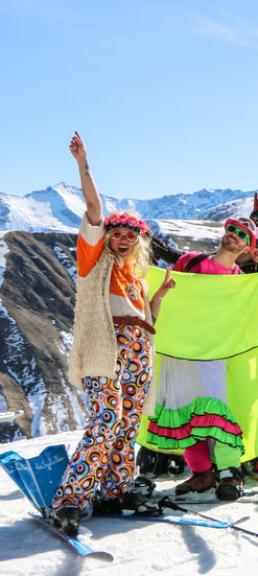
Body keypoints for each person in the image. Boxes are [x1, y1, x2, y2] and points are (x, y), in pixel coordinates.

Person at [52, 132, 177, 535]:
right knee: (107, 420)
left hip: (139, 352)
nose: (122, 239)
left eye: (130, 235)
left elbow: (145, 319)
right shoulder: (94, 261)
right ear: (107, 236)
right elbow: (94, 208)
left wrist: (158, 297)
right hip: (107, 350)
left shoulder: (136, 277)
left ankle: (115, 489)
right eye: (117, 233)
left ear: (138, 241)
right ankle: (71, 498)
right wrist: (83, 162)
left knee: (127, 425)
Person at [155, 214, 257, 500]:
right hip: (181, 351)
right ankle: (200, 473)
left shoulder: (241, 283)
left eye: (242, 234)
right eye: (232, 229)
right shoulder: (190, 262)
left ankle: (229, 473)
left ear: (247, 247)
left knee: (219, 412)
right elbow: (169, 297)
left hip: (215, 354)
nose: (234, 234)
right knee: (185, 413)